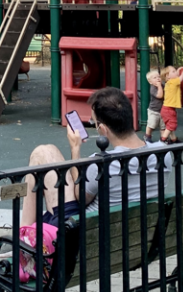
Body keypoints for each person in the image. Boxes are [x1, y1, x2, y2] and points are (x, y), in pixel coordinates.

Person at [20, 87, 173, 227]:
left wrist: (75, 149)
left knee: (42, 153)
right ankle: (24, 235)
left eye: (94, 122)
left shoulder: (102, 164)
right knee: (47, 151)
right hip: (138, 232)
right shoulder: (164, 153)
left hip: (85, 233)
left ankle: (23, 237)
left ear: (102, 129)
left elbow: (80, 197)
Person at [159, 65, 183, 143]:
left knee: (169, 126)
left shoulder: (168, 83)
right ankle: (163, 140)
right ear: (167, 76)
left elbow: (178, 75)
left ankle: (174, 139)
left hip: (165, 109)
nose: (176, 73)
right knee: (171, 126)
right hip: (169, 110)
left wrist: (178, 70)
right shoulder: (173, 82)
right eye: (173, 71)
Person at [145, 70, 165, 142]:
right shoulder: (153, 88)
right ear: (150, 82)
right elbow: (160, 95)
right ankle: (147, 136)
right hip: (153, 111)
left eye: (158, 77)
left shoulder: (163, 86)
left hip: (163, 110)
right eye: (155, 77)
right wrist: (159, 86)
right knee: (151, 125)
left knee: (163, 127)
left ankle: (163, 138)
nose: (157, 78)